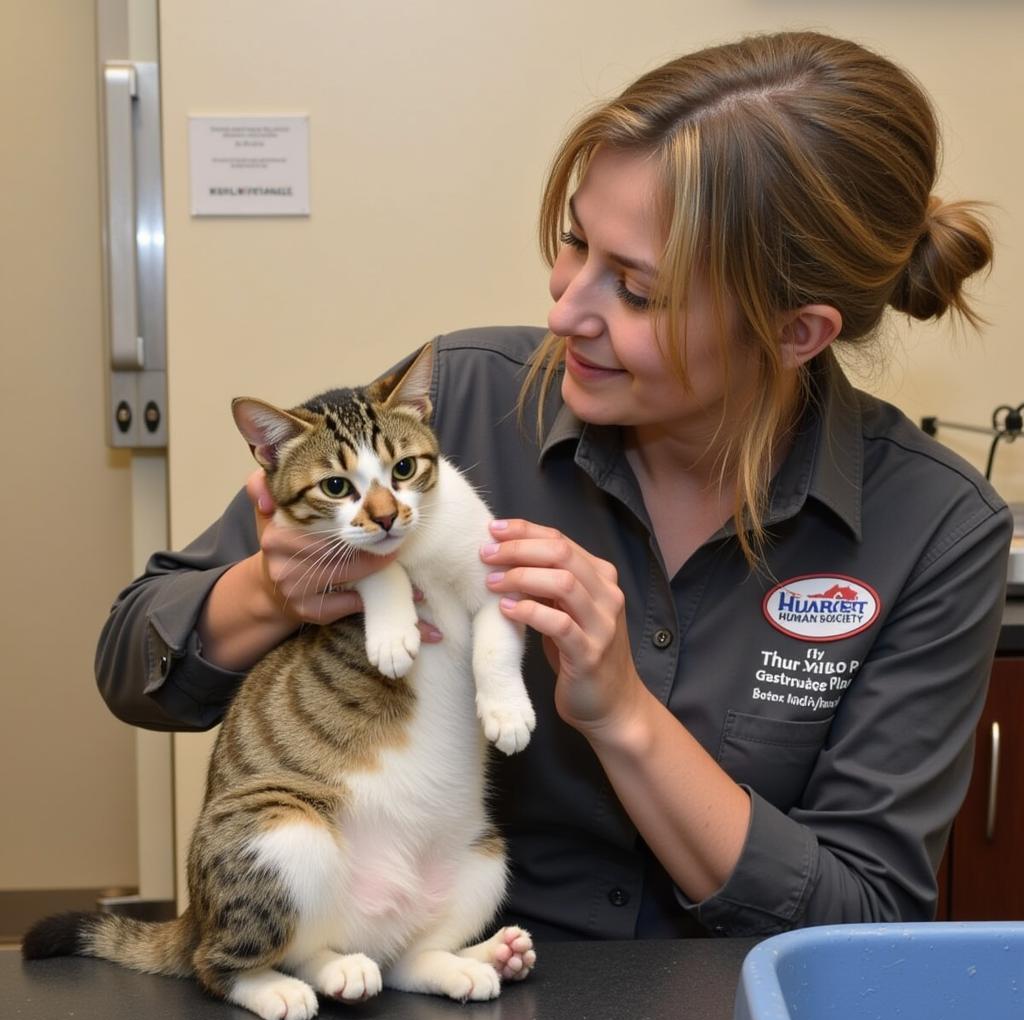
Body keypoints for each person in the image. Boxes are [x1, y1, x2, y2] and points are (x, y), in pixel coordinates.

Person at [96, 31, 1011, 940]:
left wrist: (623, 714)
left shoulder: (932, 529)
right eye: (576, 244)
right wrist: (270, 589)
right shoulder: (459, 402)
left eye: (637, 291)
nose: (564, 309)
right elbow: (133, 656)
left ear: (795, 332)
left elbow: (861, 922)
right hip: (434, 968)